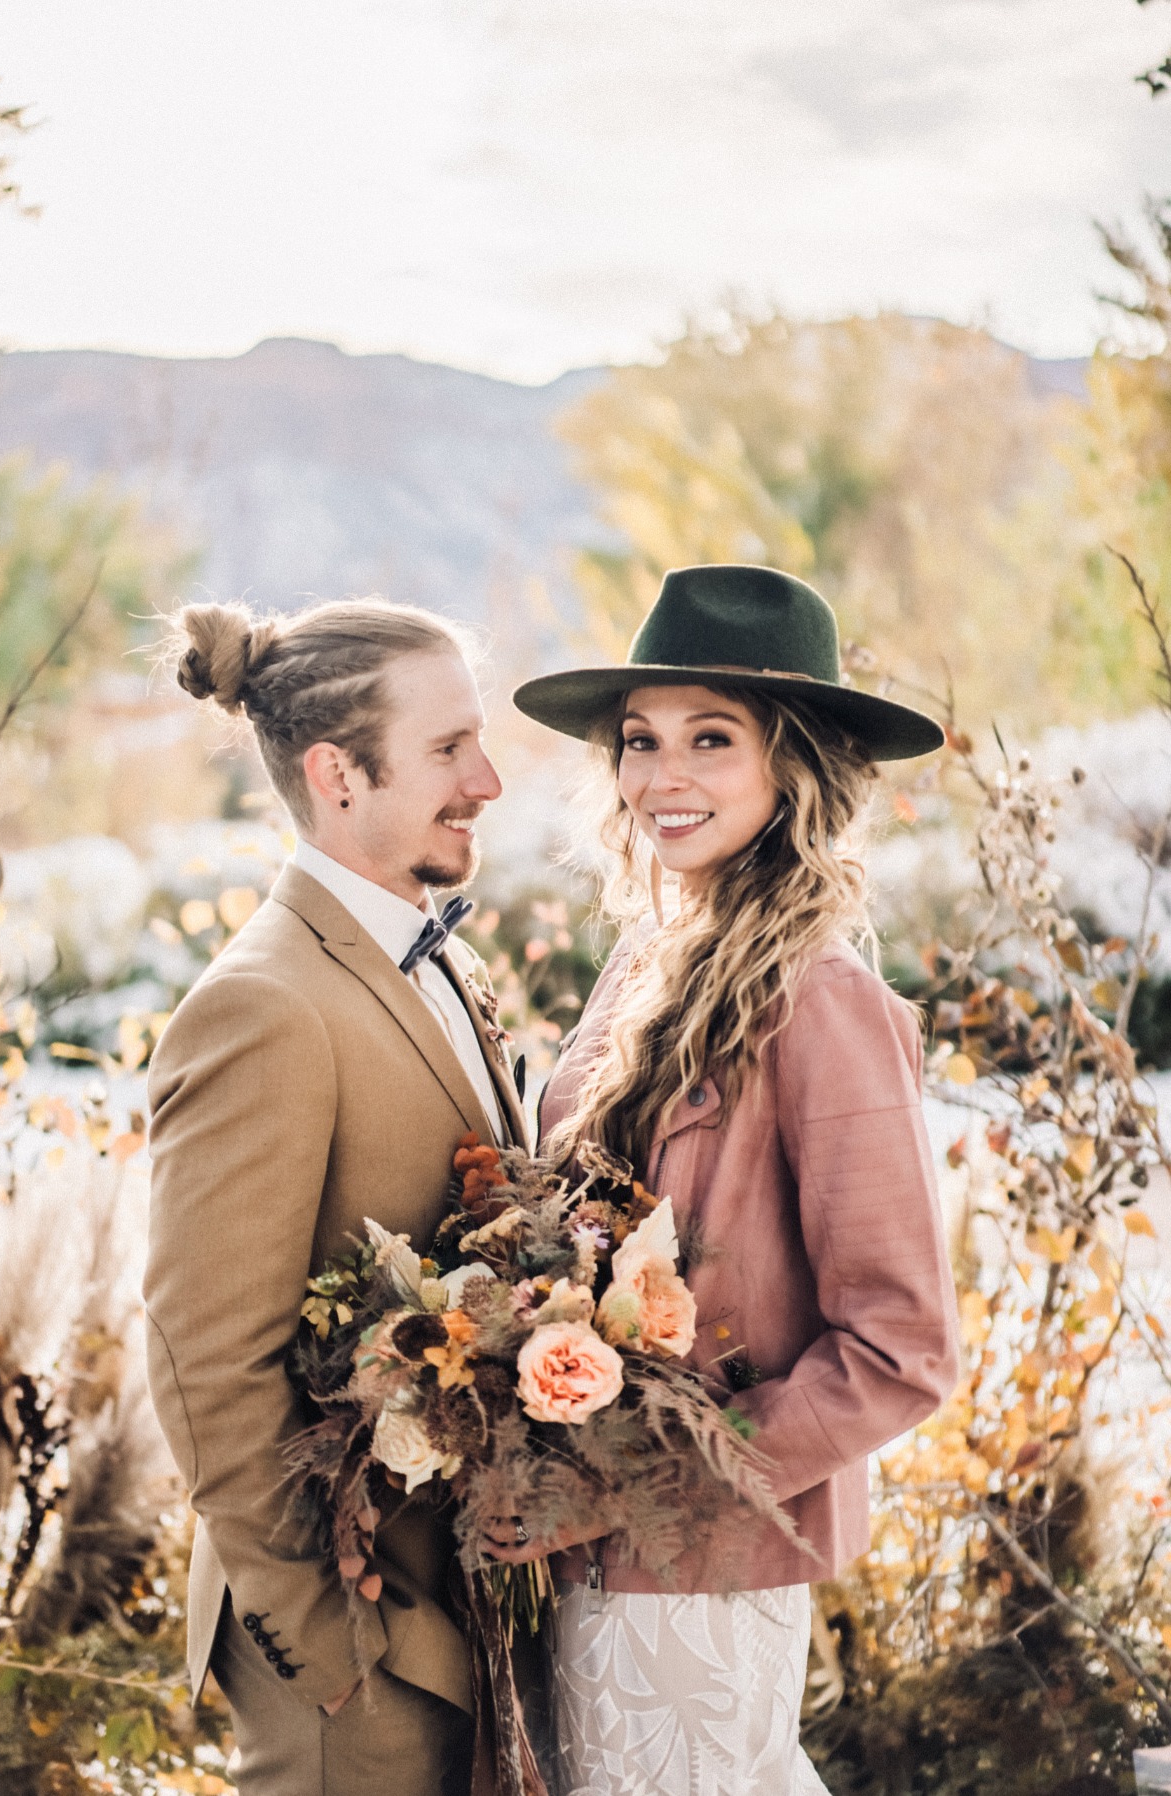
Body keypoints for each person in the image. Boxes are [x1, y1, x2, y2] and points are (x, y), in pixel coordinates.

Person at [498, 564, 961, 1796]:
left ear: (794, 765)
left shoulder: (824, 1001)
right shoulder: (645, 970)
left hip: (697, 1577)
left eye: (713, 737)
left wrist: (619, 1486)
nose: (664, 775)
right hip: (583, 1563)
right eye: (640, 740)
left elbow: (903, 1350)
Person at [144, 596, 527, 1796]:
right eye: (450, 750)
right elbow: (205, 1358)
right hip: (360, 1658)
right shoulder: (263, 1004)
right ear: (338, 774)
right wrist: (329, 1642)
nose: (491, 779)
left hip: (461, 1617)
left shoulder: (439, 952)